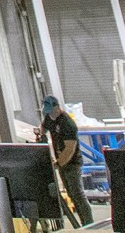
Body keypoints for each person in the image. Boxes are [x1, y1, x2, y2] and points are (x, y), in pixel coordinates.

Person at [38, 95, 91, 227]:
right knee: (71, 195)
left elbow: (70, 148)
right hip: (61, 162)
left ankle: (89, 223)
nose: (50, 113)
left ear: (57, 107)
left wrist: (58, 163)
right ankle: (82, 225)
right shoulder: (49, 118)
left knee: (78, 194)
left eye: (51, 110)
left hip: (72, 163)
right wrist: (40, 135)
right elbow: (43, 127)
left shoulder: (67, 123)